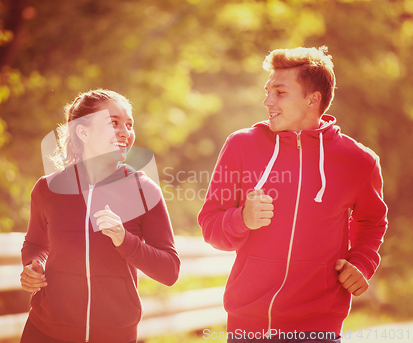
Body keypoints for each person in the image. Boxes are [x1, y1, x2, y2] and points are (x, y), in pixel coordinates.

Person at [198, 47, 387, 342]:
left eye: (280, 92)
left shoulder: (359, 161)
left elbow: (371, 222)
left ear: (312, 99)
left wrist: (362, 262)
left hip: (318, 327)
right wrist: (242, 219)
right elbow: (211, 226)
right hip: (247, 327)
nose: (267, 101)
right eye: (267, 91)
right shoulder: (241, 146)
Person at [19, 89, 180, 343]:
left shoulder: (144, 190)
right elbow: (36, 244)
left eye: (129, 124)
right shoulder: (47, 188)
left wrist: (125, 240)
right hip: (45, 331)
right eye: (113, 123)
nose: (126, 132)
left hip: (114, 336)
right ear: (83, 132)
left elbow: (170, 270)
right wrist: (32, 264)